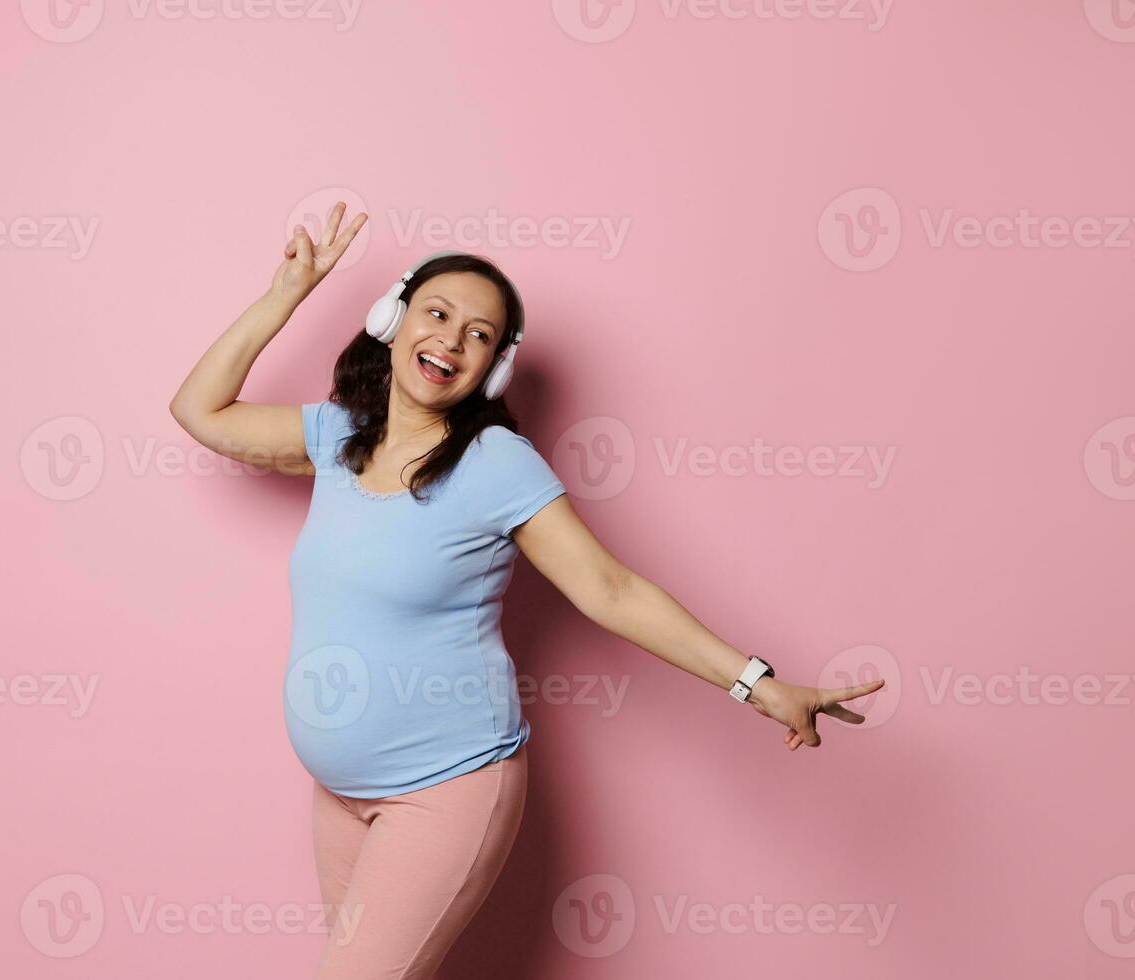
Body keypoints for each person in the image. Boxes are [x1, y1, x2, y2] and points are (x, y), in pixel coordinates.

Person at [168, 202, 885, 980]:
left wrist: (759, 684)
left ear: (494, 366)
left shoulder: (495, 465)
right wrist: (287, 293)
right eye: (435, 313)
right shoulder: (337, 439)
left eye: (478, 334)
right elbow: (198, 411)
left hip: (446, 791)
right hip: (339, 795)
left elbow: (608, 588)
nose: (450, 339)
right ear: (392, 320)